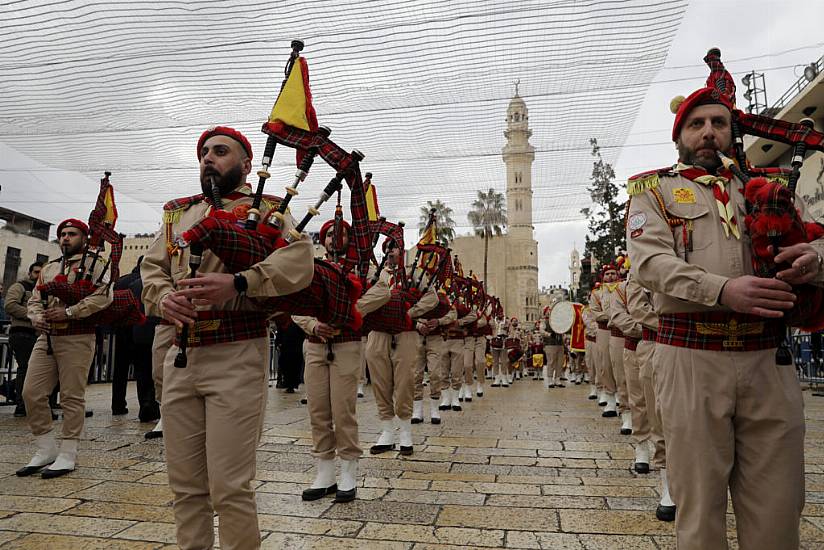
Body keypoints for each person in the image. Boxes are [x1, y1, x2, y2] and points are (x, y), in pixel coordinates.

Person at [627, 68, 824, 549]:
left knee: (779, 508)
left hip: (768, 360)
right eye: (696, 124)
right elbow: (651, 264)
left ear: (733, 131)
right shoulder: (651, 192)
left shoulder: (771, 188)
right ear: (680, 135)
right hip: (691, 360)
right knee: (698, 510)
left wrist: (815, 259)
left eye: (718, 121)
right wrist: (723, 290)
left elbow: (815, 235)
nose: (708, 132)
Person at [141, 126, 314, 550]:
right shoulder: (177, 214)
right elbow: (151, 273)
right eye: (203, 152)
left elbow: (300, 261)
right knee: (185, 486)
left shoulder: (270, 210)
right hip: (179, 356)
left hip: (237, 352)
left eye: (220, 151)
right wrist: (164, 300)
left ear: (246, 164)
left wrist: (240, 283)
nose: (208, 159)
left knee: (230, 486)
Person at [293, 219, 388, 503]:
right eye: (330, 234)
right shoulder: (312, 266)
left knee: (343, 410)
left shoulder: (361, 268)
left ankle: (348, 469)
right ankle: (325, 472)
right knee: (318, 411)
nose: (335, 238)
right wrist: (312, 325)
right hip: (315, 344)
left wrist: (347, 311)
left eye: (341, 233)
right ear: (323, 240)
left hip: (346, 344)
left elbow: (383, 290)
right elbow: (294, 301)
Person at [18, 220, 112, 479]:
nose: (65, 238)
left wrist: (70, 311)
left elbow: (103, 296)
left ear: (84, 237)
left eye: (72, 234)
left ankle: (68, 452)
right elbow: (35, 299)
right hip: (47, 336)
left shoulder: (97, 265)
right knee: (31, 392)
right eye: (62, 234)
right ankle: (46, 447)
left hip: (77, 336)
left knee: (72, 396)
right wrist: (35, 316)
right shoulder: (48, 269)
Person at [366, 238, 438, 455]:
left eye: (395, 247)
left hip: (405, 334)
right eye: (387, 248)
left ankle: (405, 431)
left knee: (405, 381)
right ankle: (387, 431)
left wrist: (409, 313)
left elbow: (432, 298)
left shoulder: (413, 274)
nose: (391, 251)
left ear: (402, 250)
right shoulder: (375, 273)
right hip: (378, 334)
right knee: (380, 382)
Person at [111, 259, 160, 421]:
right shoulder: (154, 281)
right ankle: (149, 403)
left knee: (123, 370)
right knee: (151, 369)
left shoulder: (123, 282)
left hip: (125, 329)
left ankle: (118, 405)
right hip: (150, 328)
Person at [4, 262, 43, 417]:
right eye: (36, 272)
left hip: (37, 335)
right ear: (30, 272)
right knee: (25, 368)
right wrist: (33, 315)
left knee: (35, 371)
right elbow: (10, 305)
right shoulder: (20, 287)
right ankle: (21, 405)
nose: (38, 276)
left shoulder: (42, 291)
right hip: (22, 333)